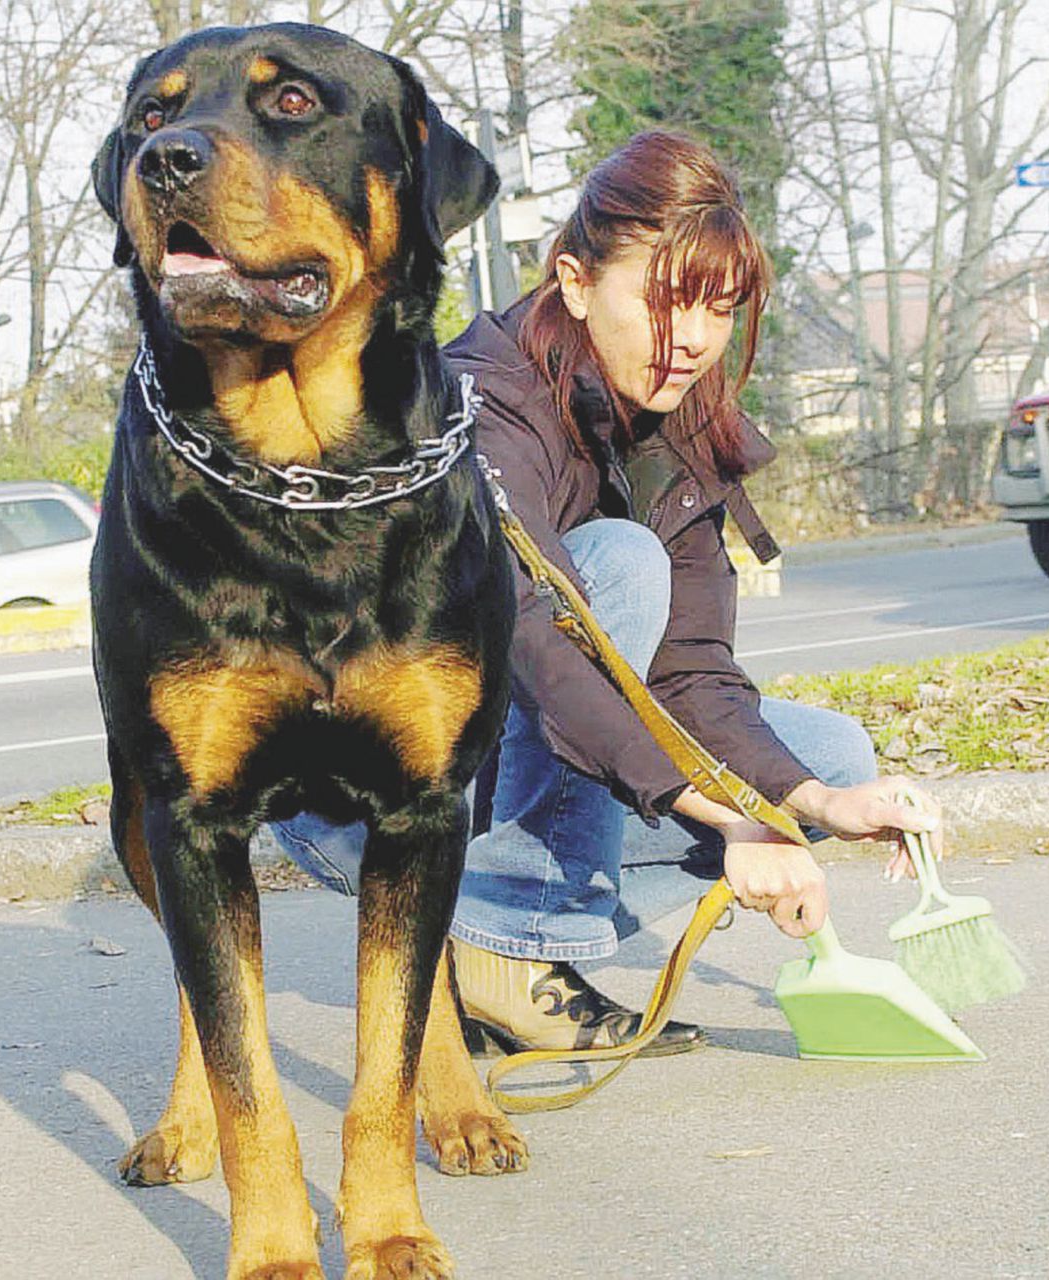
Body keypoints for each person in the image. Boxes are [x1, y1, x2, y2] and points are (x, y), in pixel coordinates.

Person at [272, 130, 941, 1056]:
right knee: (621, 563)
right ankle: (514, 947)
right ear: (575, 282)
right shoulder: (480, 403)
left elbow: (692, 672)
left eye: (721, 307)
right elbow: (537, 641)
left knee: (829, 756)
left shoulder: (680, 416)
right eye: (666, 301)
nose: (698, 340)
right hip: (359, 781)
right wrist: (723, 814)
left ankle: (482, 936)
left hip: (494, 755)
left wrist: (807, 803)